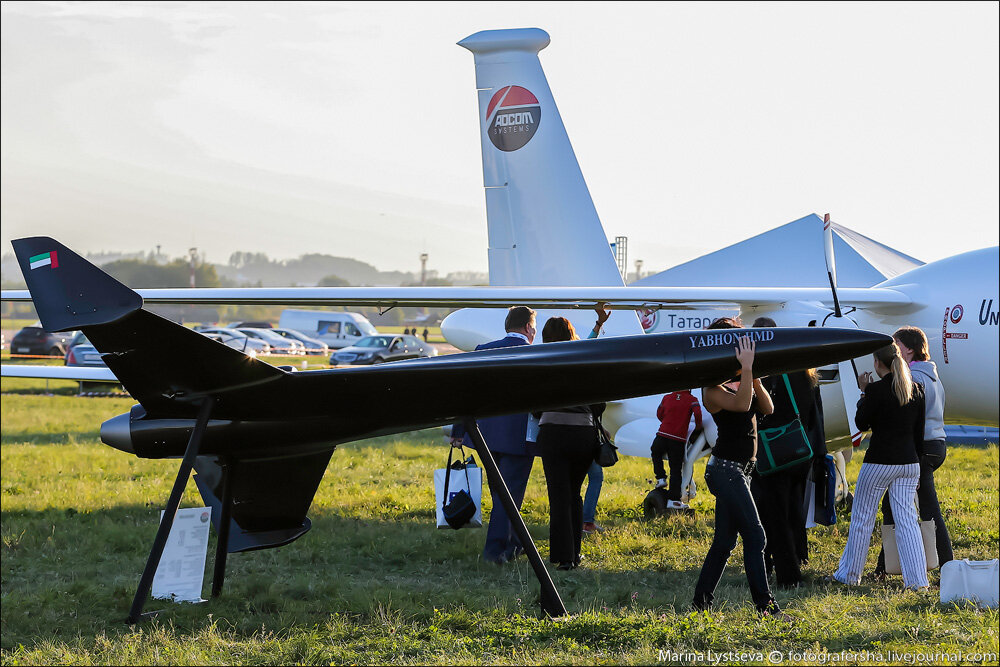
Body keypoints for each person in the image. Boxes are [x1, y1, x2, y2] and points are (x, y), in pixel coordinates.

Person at [691, 317, 784, 617]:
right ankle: (765, 608)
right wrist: (746, 370)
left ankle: (700, 602)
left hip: (740, 471)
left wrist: (753, 375)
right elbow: (744, 405)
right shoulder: (711, 390)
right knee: (756, 537)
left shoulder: (739, 383)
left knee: (724, 542)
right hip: (725, 470)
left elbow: (766, 408)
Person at [830, 342, 928, 590]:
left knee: (863, 517)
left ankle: (850, 575)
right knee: (907, 520)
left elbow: (862, 423)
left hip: (880, 462)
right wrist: (918, 463)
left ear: (877, 363)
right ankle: (918, 581)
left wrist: (863, 393)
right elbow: (919, 433)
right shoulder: (916, 389)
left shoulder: (875, 391)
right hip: (909, 462)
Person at [450, 306, 537, 565]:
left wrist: (458, 430)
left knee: (499, 492)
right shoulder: (534, 353)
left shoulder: (482, 350)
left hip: (485, 436)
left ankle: (514, 541)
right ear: (529, 328)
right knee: (509, 495)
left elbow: (466, 393)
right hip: (518, 437)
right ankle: (496, 550)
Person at [750, 316, 826, 588]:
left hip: (772, 453)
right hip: (800, 449)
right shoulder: (803, 369)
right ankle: (800, 556)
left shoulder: (764, 371)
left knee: (773, 514)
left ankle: (786, 573)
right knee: (795, 507)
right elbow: (814, 413)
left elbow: (761, 411)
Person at [874, 326, 953, 575]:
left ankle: (948, 567)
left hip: (920, 449)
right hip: (935, 445)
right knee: (893, 505)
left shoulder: (914, 379)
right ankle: (884, 567)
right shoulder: (931, 375)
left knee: (928, 511)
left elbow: (909, 421)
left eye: (896, 345)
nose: (893, 351)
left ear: (908, 349)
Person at [535, 316, 605, 570]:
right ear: (571, 333)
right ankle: (575, 553)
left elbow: (534, 405)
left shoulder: (543, 361)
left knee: (559, 495)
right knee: (575, 493)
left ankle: (564, 556)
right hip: (583, 434)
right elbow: (599, 403)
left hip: (553, 432)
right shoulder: (583, 360)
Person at [582, 303, 611, 534]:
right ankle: (586, 522)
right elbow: (587, 345)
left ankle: (581, 521)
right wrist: (599, 324)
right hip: (583, 434)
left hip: (586, 431)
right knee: (595, 476)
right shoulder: (581, 366)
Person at [650, 389, 703, 510]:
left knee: (655, 452)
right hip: (678, 439)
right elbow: (698, 414)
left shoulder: (667, 397)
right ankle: (673, 501)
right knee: (675, 469)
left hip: (662, 435)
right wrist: (698, 426)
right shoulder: (692, 400)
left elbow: (659, 413)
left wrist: (667, 422)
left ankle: (661, 478)